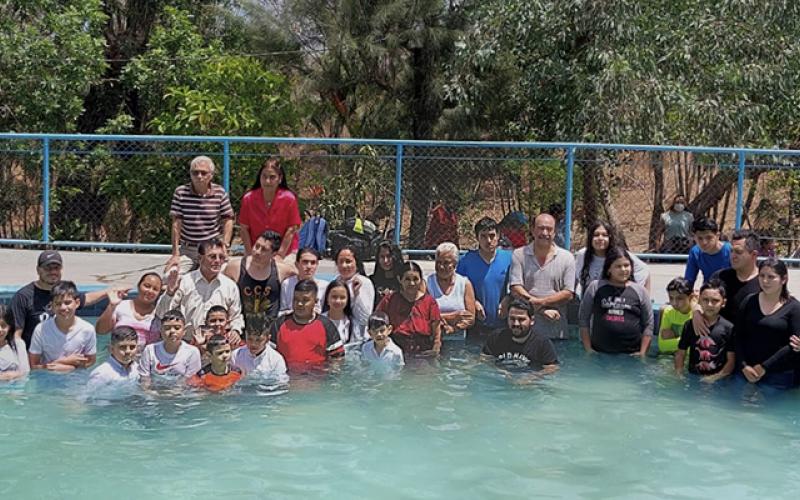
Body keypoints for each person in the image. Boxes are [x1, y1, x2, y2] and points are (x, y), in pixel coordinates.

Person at [11, 250, 115, 348]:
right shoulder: (23, 297)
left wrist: (109, 291)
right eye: (48, 268)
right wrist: (22, 359)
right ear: (38, 270)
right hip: (35, 355)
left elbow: (86, 299)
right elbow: (16, 336)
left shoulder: (64, 291)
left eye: (56, 268)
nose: (53, 272)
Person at [156, 238, 244, 342]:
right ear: (199, 258)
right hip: (187, 343)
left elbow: (236, 317)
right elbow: (161, 314)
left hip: (217, 345)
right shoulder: (184, 282)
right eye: (212, 257)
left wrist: (236, 330)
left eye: (221, 257)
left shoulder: (230, 286)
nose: (217, 261)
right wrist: (170, 293)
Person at [509, 213, 576, 340]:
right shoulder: (519, 255)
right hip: (525, 332)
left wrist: (540, 302)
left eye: (549, 229)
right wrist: (541, 310)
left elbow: (568, 294)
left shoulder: (567, 258)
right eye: (541, 228)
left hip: (556, 331)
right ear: (532, 230)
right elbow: (515, 289)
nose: (545, 232)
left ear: (555, 232)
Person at [735, 258, 800, 388]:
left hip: (779, 375)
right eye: (762, 276)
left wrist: (764, 367)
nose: (765, 281)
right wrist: (743, 365)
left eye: (771, 277)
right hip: (746, 371)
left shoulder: (794, 308)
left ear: (783, 279)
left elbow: (793, 345)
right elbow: (737, 335)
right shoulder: (749, 301)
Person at [578, 247, 654, 355]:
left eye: (626, 265)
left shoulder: (640, 291)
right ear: (609, 269)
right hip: (600, 353)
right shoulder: (595, 287)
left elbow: (649, 323)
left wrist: (642, 353)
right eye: (618, 266)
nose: (623, 269)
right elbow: (583, 319)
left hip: (631, 355)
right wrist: (588, 349)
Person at [165, 156, 234, 273]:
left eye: (203, 173)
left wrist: (225, 245)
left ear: (211, 175)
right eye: (195, 173)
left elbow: (228, 219)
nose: (199, 176)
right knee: (170, 275)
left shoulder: (220, 192)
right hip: (188, 250)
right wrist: (175, 254)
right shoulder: (180, 192)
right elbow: (176, 224)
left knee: (226, 274)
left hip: (212, 249)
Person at [223, 230, 295, 331]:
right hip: (241, 329)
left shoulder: (282, 270)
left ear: (274, 254)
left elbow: (302, 276)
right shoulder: (234, 267)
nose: (257, 252)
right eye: (256, 246)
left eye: (264, 250)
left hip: (270, 331)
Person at [271, 279, 345, 370]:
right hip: (285, 376)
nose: (299, 304)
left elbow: (337, 358)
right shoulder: (279, 324)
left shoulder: (326, 326)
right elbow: (268, 355)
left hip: (316, 376)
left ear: (315, 301)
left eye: (305, 300)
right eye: (296, 299)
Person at [456, 217, 513, 334]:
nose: (488, 240)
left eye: (492, 236)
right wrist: (473, 302)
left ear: (498, 236)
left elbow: (517, 286)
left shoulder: (510, 258)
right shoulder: (466, 261)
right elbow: (457, 289)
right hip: (476, 327)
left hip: (503, 326)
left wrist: (508, 299)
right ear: (477, 237)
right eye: (483, 236)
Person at [238, 158, 302, 259]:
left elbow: (291, 229)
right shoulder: (248, 199)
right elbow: (244, 229)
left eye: (272, 177)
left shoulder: (289, 199)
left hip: (286, 252)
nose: (267, 181)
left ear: (280, 179)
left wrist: (280, 255)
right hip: (256, 250)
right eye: (264, 176)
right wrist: (250, 254)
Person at [674, 280, 735, 382]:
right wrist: (679, 375)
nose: (709, 304)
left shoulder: (728, 328)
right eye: (705, 300)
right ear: (699, 300)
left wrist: (714, 378)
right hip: (692, 378)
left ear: (723, 303)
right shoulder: (690, 325)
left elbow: (731, 361)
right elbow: (680, 353)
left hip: (717, 381)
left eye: (715, 301)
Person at [376, 262, 442, 356]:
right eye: (407, 279)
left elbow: (436, 331)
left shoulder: (429, 302)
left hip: (423, 351)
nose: (412, 283)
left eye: (415, 279)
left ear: (421, 280)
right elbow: (377, 322)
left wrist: (435, 349)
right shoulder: (389, 301)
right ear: (400, 279)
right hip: (395, 350)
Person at [28, 281, 97, 371]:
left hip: (77, 377)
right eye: (58, 304)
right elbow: (34, 366)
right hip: (48, 377)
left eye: (67, 303)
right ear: (52, 306)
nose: (63, 308)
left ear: (77, 303)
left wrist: (66, 367)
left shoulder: (87, 329)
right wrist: (66, 362)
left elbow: (91, 361)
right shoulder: (41, 329)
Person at [574, 220, 650, 297]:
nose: (600, 238)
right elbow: (576, 278)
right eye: (596, 235)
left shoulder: (619, 255)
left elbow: (644, 270)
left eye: (605, 235)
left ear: (610, 238)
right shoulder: (582, 255)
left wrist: (643, 298)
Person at [481, 299, 559, 372]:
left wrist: (532, 377)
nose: (516, 324)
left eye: (521, 319)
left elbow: (552, 368)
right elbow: (484, 359)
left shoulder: (542, 343)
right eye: (512, 319)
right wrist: (498, 371)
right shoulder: (496, 337)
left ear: (532, 320)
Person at [95, 272, 163, 352]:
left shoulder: (160, 313)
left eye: (155, 289)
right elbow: (101, 331)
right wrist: (111, 306)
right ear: (138, 286)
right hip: (119, 357)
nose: (150, 291)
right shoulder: (121, 306)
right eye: (147, 286)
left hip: (148, 358)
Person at [426, 242, 476, 340]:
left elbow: (470, 318)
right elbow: (424, 316)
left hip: (458, 340)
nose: (441, 267)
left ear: (455, 264)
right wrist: (453, 316)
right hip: (432, 339)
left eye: (446, 263)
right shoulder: (427, 283)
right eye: (438, 262)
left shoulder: (464, 283)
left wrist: (453, 328)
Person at [138, 309, 202, 385]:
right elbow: (144, 378)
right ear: (160, 330)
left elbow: (190, 381)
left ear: (184, 331)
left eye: (177, 328)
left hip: (180, 391)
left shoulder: (192, 352)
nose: (172, 331)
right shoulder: (150, 350)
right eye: (167, 328)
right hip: (154, 390)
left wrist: (174, 392)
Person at [710, 230, 761, 323]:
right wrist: (697, 313)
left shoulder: (764, 282)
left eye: (738, 252)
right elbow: (702, 300)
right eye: (731, 251)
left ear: (754, 255)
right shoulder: (719, 277)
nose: (733, 256)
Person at [334, 245, 375, 343]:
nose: (344, 265)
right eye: (341, 262)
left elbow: (365, 318)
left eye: (348, 261)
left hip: (358, 339)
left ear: (356, 263)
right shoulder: (335, 282)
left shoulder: (364, 283)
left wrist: (356, 295)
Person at [683, 217, 732, 289]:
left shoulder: (730, 251)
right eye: (700, 238)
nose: (704, 242)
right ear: (694, 237)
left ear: (717, 236)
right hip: (708, 292)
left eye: (709, 237)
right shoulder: (695, 252)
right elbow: (689, 281)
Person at [86, 326, 140, 391]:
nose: (128, 351)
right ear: (111, 349)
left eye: (132, 347)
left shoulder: (138, 369)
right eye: (122, 347)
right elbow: (88, 395)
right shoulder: (102, 374)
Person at [279, 248, 329, 314]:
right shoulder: (287, 284)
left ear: (317, 265)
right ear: (297, 264)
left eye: (313, 263)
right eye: (305, 262)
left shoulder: (324, 286)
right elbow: (282, 311)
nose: (309, 266)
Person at [657, 278, 694, 355]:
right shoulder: (668, 312)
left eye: (679, 298)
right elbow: (662, 346)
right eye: (671, 298)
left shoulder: (696, 315)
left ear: (690, 297)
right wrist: (686, 342)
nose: (674, 303)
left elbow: (692, 348)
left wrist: (673, 339)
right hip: (668, 357)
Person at [321, 280, 359, 346]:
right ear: (327, 299)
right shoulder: (318, 322)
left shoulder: (352, 323)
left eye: (342, 297)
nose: (338, 301)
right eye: (334, 297)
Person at [370, 241, 404, 306]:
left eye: (389, 256)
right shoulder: (372, 282)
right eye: (382, 257)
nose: (385, 261)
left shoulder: (405, 280)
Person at [0, 305, 29, 381]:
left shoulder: (19, 345)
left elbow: (26, 373)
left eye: (3, 325)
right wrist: (8, 376)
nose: (0, 329)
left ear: (9, 327)